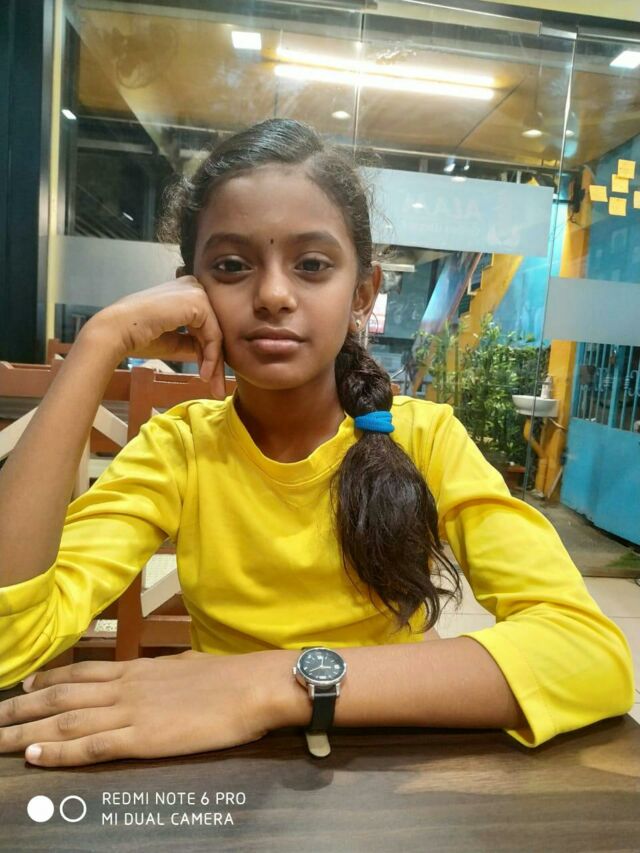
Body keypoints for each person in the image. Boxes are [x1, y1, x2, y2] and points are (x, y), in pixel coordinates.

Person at [0, 119, 634, 768]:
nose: (274, 294)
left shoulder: (426, 438)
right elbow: (9, 639)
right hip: (228, 772)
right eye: (231, 266)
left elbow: (587, 654)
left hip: (388, 768)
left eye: (311, 265)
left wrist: (268, 685)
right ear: (189, 292)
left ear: (363, 292)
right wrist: (102, 342)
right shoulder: (179, 447)